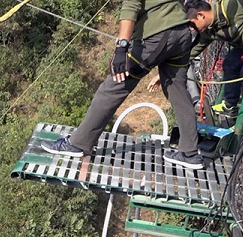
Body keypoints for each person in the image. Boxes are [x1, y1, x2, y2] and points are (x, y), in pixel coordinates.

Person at [42, 0, 204, 169]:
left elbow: (130, 6)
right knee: (177, 89)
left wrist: (122, 48)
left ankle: (78, 144)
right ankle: (190, 152)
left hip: (157, 36)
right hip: (182, 33)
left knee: (112, 88)